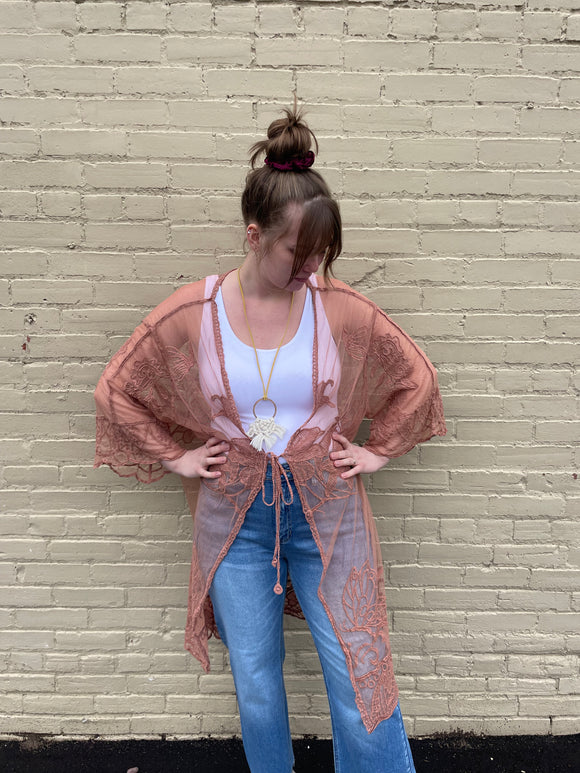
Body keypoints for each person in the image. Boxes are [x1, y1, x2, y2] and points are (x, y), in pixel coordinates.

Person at [94, 106, 446, 773]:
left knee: (359, 663)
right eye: (298, 252)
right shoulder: (195, 313)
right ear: (254, 236)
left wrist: (377, 450)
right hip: (236, 516)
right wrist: (177, 457)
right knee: (256, 682)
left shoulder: (335, 306)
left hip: (328, 508)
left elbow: (415, 377)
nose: (311, 266)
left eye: (321, 253)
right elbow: (115, 389)